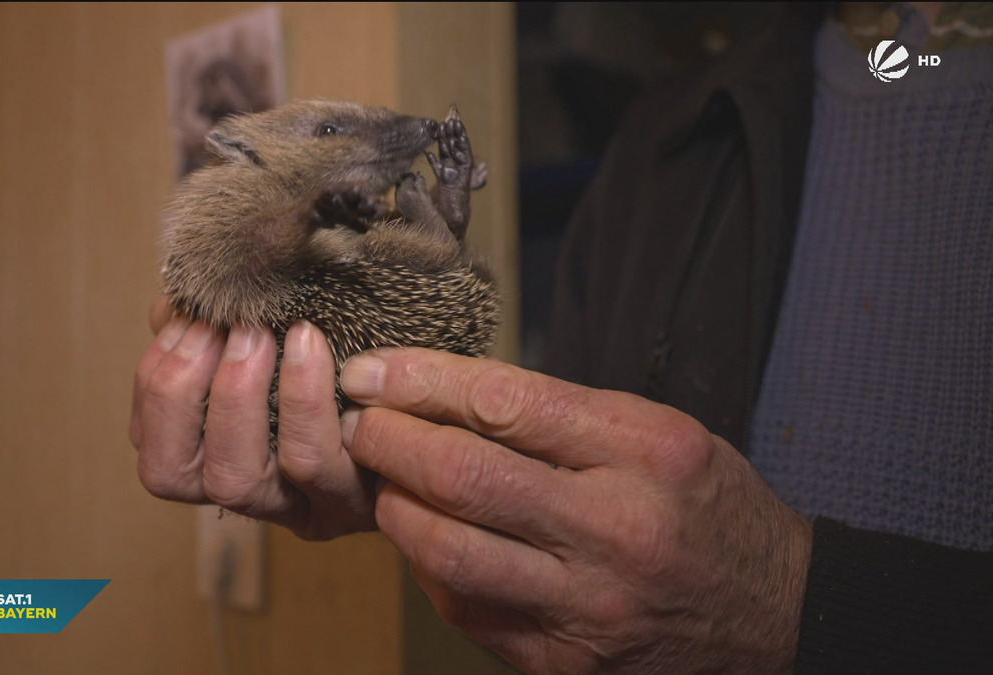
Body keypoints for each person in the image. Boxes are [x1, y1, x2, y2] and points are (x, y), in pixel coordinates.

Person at [130, 3, 992, 673]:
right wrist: (437, 502)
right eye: (326, 137)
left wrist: (810, 607)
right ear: (236, 149)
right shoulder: (668, 138)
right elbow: (582, 595)